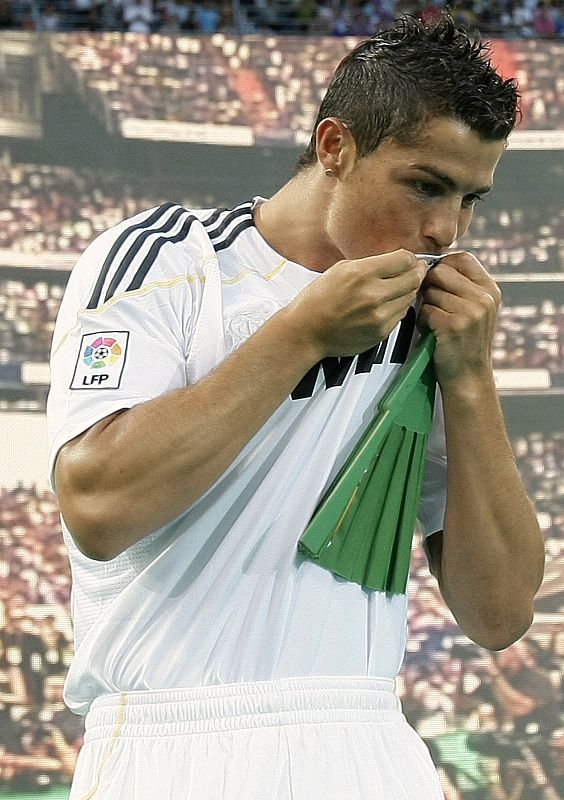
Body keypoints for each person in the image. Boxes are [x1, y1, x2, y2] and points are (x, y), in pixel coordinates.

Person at [46, 13, 545, 799]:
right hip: (173, 743)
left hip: (369, 741)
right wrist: (303, 331)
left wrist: (472, 379)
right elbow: (100, 507)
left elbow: (498, 613)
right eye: (425, 184)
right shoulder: (169, 260)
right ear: (334, 147)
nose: (445, 229)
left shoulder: (434, 322)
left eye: (470, 199)